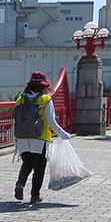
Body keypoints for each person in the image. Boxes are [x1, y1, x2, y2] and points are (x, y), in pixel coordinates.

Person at [13, 71, 72, 205]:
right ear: (44, 87)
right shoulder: (45, 99)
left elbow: (15, 121)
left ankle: (20, 184)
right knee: (39, 169)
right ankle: (35, 196)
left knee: (26, 164)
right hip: (40, 139)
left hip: (22, 137)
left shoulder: (20, 99)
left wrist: (16, 140)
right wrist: (63, 134)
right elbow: (51, 120)